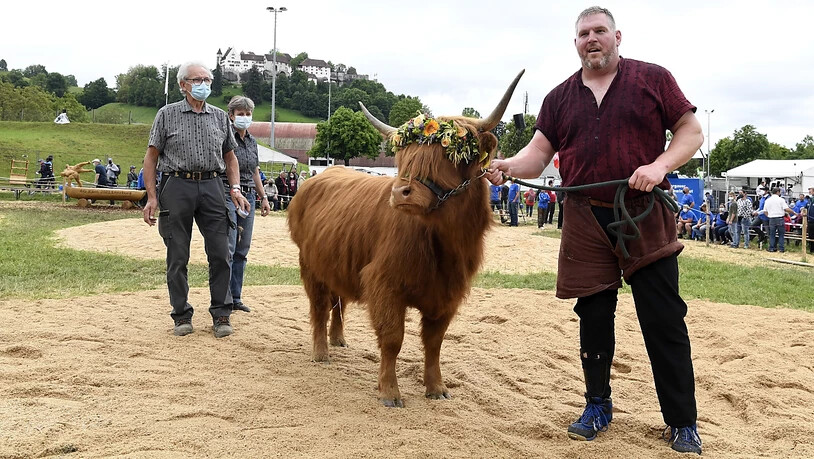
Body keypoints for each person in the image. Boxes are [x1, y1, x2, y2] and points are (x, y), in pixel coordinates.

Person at [486, 7, 703, 453]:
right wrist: (508, 167)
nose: (592, 39)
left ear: (617, 36)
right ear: (575, 43)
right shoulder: (559, 98)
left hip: (643, 213)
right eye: (584, 33)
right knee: (594, 319)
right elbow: (538, 155)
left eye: (599, 31)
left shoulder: (653, 79)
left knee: (663, 319)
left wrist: (660, 164)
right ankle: (598, 406)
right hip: (585, 218)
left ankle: (682, 421)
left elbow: (691, 131)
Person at [142, 60, 251, 339]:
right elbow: (152, 156)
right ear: (183, 85)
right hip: (176, 186)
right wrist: (152, 197)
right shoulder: (166, 114)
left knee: (221, 253)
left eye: (207, 80)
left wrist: (235, 189)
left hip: (213, 186)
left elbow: (230, 156)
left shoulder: (218, 117)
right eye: (197, 80)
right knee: (177, 254)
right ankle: (181, 315)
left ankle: (222, 313)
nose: (203, 85)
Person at [222, 96, 271, 313]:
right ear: (231, 116)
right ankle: (223, 298)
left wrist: (264, 197)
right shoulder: (225, 137)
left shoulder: (252, 141)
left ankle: (236, 297)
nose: (245, 117)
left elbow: (255, 171)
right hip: (229, 193)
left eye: (248, 114)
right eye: (240, 114)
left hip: (249, 196)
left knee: (243, 249)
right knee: (229, 247)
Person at [763, 187, 797, 252]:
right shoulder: (781, 200)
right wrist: (794, 212)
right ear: (778, 192)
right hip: (780, 218)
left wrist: (769, 216)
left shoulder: (767, 200)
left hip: (771, 219)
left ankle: (771, 248)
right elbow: (786, 209)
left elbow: (765, 211)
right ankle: (781, 249)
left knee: (772, 234)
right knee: (781, 234)